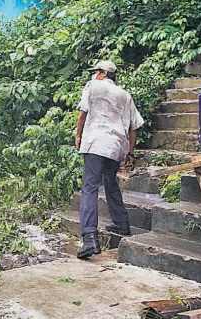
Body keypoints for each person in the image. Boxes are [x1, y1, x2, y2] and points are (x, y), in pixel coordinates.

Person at [75, 60, 144, 259]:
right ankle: (121, 224)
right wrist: (129, 152)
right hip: (115, 145)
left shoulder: (93, 86)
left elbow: (83, 113)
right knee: (110, 182)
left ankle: (89, 238)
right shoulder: (125, 94)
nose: (93, 74)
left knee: (89, 187)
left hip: (95, 142)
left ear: (104, 73)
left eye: (95, 71)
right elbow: (134, 126)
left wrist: (78, 135)